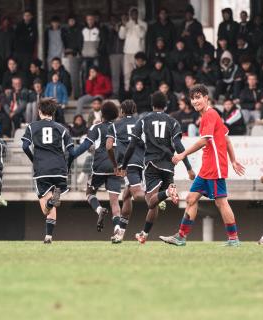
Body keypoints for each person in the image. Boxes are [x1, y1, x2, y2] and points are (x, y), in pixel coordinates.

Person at [160, 84, 245, 246]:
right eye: (193, 98)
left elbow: (204, 140)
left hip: (214, 166)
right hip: (207, 167)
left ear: (206, 98)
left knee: (221, 202)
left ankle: (234, 238)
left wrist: (182, 154)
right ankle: (181, 237)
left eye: (198, 97)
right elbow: (226, 138)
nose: (195, 101)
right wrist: (233, 160)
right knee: (192, 199)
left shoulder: (209, 115)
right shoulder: (212, 115)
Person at [119, 92, 195, 244]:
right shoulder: (173, 121)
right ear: (166, 105)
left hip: (152, 164)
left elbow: (132, 145)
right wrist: (189, 168)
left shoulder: (144, 120)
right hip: (169, 166)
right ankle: (144, 234)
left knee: (150, 202)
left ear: (152, 104)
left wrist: (124, 165)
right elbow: (179, 145)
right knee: (156, 203)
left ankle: (167, 192)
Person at [21, 98, 75, 243]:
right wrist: (67, 167)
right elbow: (72, 152)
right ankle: (48, 236)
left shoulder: (32, 127)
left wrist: (34, 160)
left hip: (42, 170)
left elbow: (25, 147)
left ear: (39, 111)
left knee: (46, 209)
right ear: (53, 112)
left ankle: (51, 203)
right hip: (59, 169)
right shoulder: (62, 128)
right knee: (52, 203)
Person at [71, 101, 122, 235]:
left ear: (102, 114)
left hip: (100, 167)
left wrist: (72, 156)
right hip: (116, 167)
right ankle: (117, 229)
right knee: (115, 201)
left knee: (89, 193)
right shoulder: (119, 127)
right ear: (115, 115)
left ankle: (99, 210)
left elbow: (86, 145)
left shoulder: (96, 127)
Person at [105, 100, 145, 243]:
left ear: (121, 111)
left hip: (128, 163)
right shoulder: (141, 122)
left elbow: (109, 146)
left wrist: (115, 165)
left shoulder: (115, 126)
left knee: (137, 194)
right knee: (126, 196)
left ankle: (158, 197)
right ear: (134, 110)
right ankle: (120, 234)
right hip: (142, 161)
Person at [119, 7, 147, 92]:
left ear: (138, 14)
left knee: (138, 73)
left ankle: (138, 90)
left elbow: (141, 35)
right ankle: (128, 90)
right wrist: (123, 26)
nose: (133, 15)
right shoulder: (127, 23)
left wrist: (136, 23)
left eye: (135, 13)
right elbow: (121, 36)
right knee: (127, 73)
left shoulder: (143, 24)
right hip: (127, 52)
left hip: (138, 52)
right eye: (132, 14)